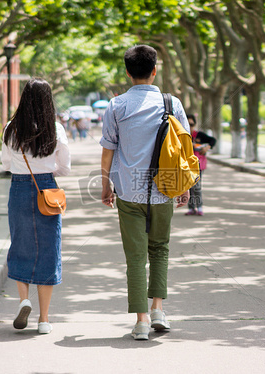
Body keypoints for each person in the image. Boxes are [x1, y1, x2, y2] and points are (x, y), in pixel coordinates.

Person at [100, 45, 190, 341]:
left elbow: (108, 150)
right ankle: (158, 309)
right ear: (155, 71)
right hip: (164, 189)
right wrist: (187, 185)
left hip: (128, 192)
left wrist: (105, 184)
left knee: (135, 256)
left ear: (127, 72)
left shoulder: (116, 106)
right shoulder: (171, 103)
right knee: (160, 248)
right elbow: (185, 146)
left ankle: (140, 322)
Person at [1, 79, 71, 334]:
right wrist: (48, 171)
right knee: (49, 250)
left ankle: (23, 300)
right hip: (47, 190)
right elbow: (65, 165)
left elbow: (5, 163)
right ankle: (44, 320)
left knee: (20, 244)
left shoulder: (12, 128)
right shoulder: (55, 129)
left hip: (19, 187)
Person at [185, 114, 216, 216]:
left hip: (198, 165)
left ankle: (199, 207)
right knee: (188, 187)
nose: (190, 126)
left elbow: (212, 140)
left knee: (196, 187)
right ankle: (191, 208)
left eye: (192, 124)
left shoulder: (199, 135)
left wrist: (207, 147)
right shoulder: (181, 135)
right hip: (185, 166)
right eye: (187, 124)